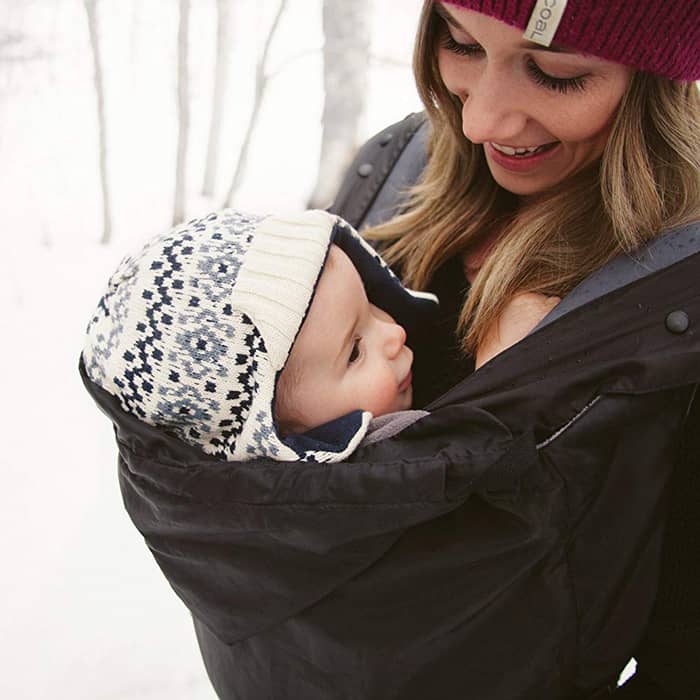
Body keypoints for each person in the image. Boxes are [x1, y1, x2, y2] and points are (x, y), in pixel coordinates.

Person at [79, 2, 700, 699]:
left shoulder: (677, 305)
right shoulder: (396, 167)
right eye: (461, 44)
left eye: (555, 73)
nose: (479, 122)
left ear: (661, 81)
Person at [81, 207, 555, 463]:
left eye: (371, 304)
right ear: (282, 436)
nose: (392, 333)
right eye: (354, 352)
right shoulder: (379, 484)